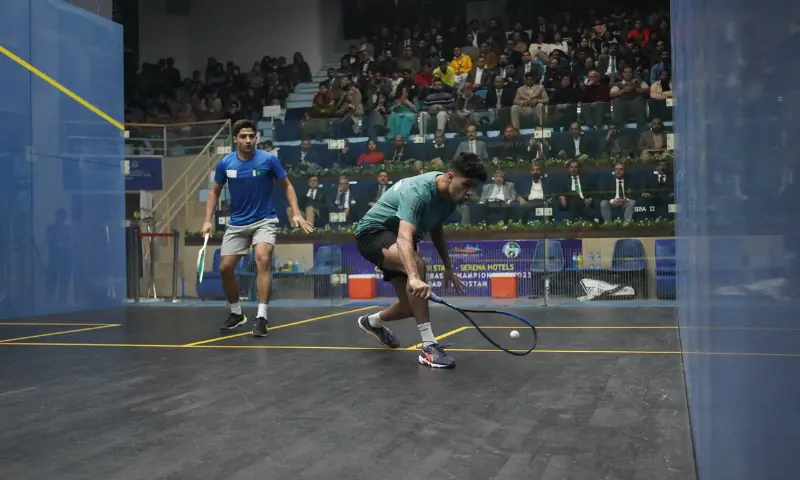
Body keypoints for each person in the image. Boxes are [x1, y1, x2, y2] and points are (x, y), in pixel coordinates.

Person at [354, 154, 488, 368]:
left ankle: (371, 322)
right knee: (416, 265)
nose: (470, 192)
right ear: (451, 177)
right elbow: (404, 236)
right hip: (373, 234)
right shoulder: (418, 191)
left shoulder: (449, 201)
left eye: (474, 187)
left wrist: (448, 268)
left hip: (396, 239)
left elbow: (436, 230)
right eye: (467, 185)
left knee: (410, 308)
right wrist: (414, 277)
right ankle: (429, 347)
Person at [202, 119, 313, 336]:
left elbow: (287, 185)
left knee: (262, 258)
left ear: (256, 138)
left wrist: (297, 213)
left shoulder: (269, 160)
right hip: (237, 223)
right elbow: (214, 191)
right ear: (235, 139)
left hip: (264, 220)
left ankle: (262, 317)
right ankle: (236, 314)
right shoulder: (226, 163)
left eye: (251, 136)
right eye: (243, 137)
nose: (248, 140)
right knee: (225, 268)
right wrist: (208, 220)